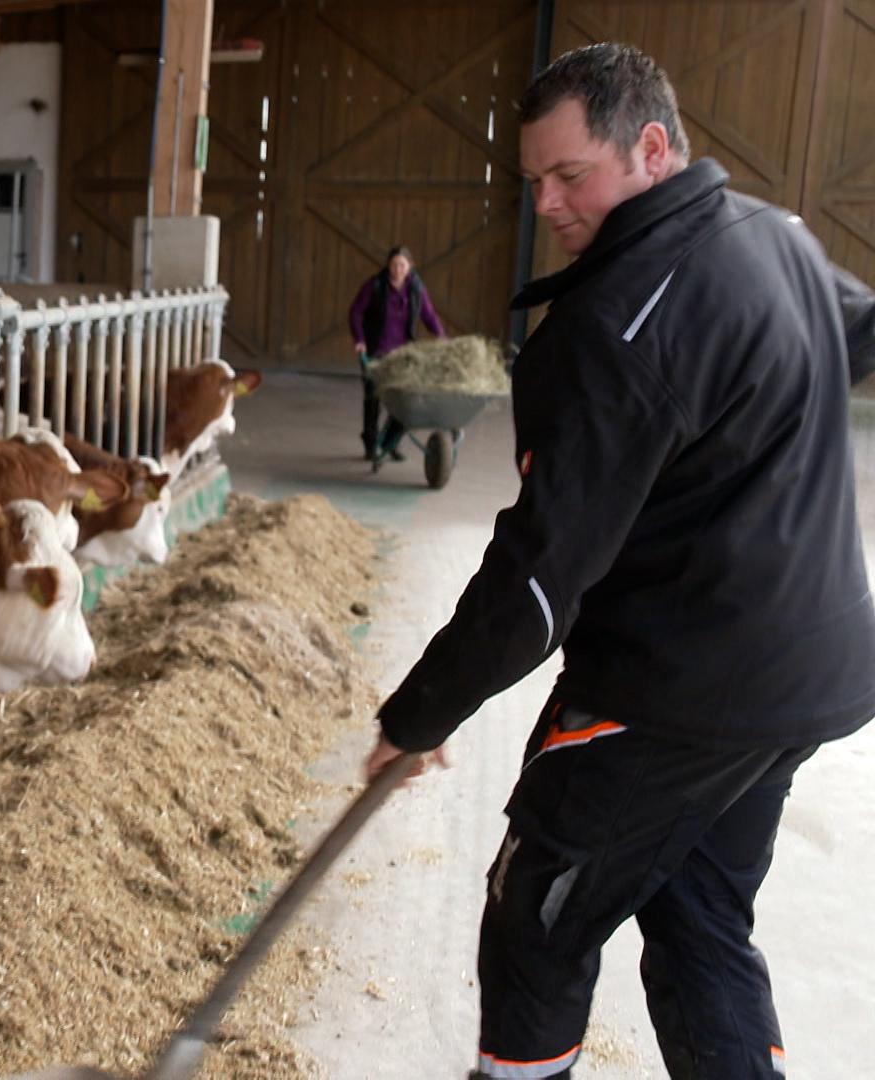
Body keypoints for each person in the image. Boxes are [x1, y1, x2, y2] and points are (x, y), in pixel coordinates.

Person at [363, 43, 875, 1080]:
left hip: (675, 691)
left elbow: (541, 580)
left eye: (571, 175)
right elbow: (852, 338)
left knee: (536, 920)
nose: (548, 203)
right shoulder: (775, 239)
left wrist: (418, 716)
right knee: (696, 916)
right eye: (535, 181)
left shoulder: (617, 322)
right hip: (814, 672)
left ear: (651, 146)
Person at [349, 246, 446, 462]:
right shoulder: (375, 286)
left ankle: (391, 442)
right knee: (373, 398)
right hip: (377, 352)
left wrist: (440, 335)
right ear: (388, 265)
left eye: (402, 265)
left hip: (403, 354)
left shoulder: (415, 289)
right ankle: (371, 443)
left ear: (410, 266)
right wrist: (360, 341)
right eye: (394, 265)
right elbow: (356, 312)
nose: (398, 269)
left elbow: (428, 314)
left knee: (403, 400)